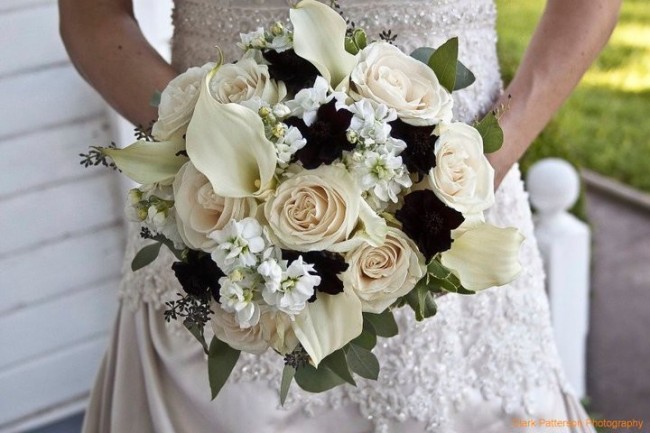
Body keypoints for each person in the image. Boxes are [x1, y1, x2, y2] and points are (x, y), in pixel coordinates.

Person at [59, 0, 621, 432]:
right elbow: (93, 19)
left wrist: (480, 168)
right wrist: (209, 150)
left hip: (456, 213)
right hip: (222, 232)